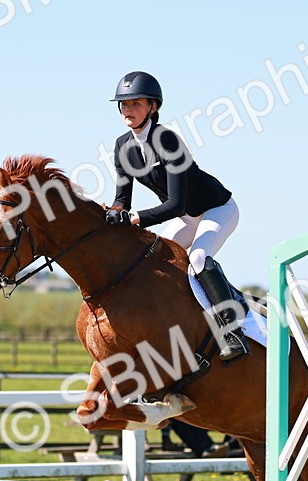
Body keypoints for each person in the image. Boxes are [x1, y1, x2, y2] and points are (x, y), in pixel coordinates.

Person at [106, 70, 250, 364]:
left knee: (197, 259)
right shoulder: (122, 146)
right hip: (188, 217)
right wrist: (111, 215)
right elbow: (122, 200)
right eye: (124, 104)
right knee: (152, 261)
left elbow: (173, 204)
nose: (128, 110)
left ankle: (232, 332)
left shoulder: (167, 140)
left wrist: (133, 219)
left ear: (153, 107)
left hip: (217, 209)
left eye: (136, 104)